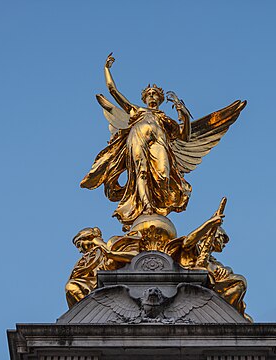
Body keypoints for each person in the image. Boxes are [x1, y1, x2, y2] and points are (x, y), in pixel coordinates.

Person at [81, 53, 192, 229]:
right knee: (141, 172)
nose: (153, 97)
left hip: (159, 141)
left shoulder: (165, 119)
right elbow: (113, 90)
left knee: (163, 173)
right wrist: (106, 69)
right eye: (150, 94)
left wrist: (184, 115)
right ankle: (146, 206)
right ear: (145, 98)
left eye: (155, 95)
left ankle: (158, 204)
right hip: (137, 137)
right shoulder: (137, 111)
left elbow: (184, 136)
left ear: (160, 99)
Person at [65, 227, 138, 307]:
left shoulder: (112, 245)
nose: (80, 250)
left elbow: (136, 257)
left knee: (71, 286)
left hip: (106, 285)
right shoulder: (85, 260)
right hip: (91, 285)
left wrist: (109, 253)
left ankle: (90, 311)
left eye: (79, 244)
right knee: (71, 287)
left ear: (89, 238)